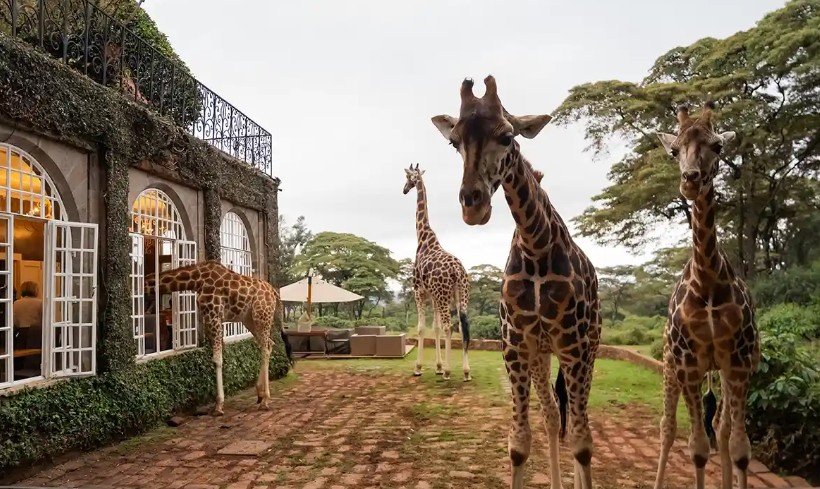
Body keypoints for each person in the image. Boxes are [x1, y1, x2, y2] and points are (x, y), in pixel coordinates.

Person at [13, 281, 43, 349]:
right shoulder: (40, 303)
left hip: (21, 332)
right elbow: (43, 319)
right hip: (36, 332)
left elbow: (15, 321)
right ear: (35, 290)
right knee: (35, 352)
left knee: (21, 352)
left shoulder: (16, 303)